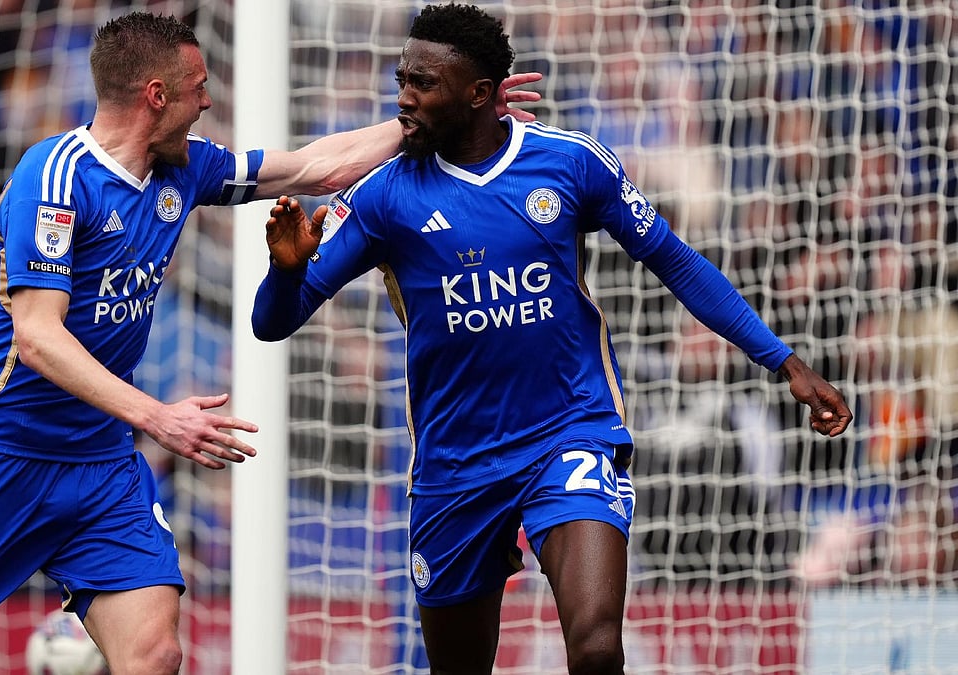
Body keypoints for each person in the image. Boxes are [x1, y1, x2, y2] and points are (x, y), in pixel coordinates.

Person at [0, 10, 540, 675]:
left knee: (155, 653)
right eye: (197, 87)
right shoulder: (53, 178)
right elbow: (39, 336)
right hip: (4, 457)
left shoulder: (186, 169)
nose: (208, 101)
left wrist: (436, 116)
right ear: (156, 96)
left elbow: (312, 167)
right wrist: (157, 416)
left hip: (102, 468)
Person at [250, 4, 852, 674]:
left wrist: (784, 359)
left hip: (570, 432)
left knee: (596, 646)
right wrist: (286, 268)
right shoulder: (383, 198)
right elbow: (272, 321)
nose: (404, 99)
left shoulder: (569, 164)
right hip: (457, 463)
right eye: (402, 79)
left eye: (423, 84)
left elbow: (676, 261)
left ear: (479, 94)